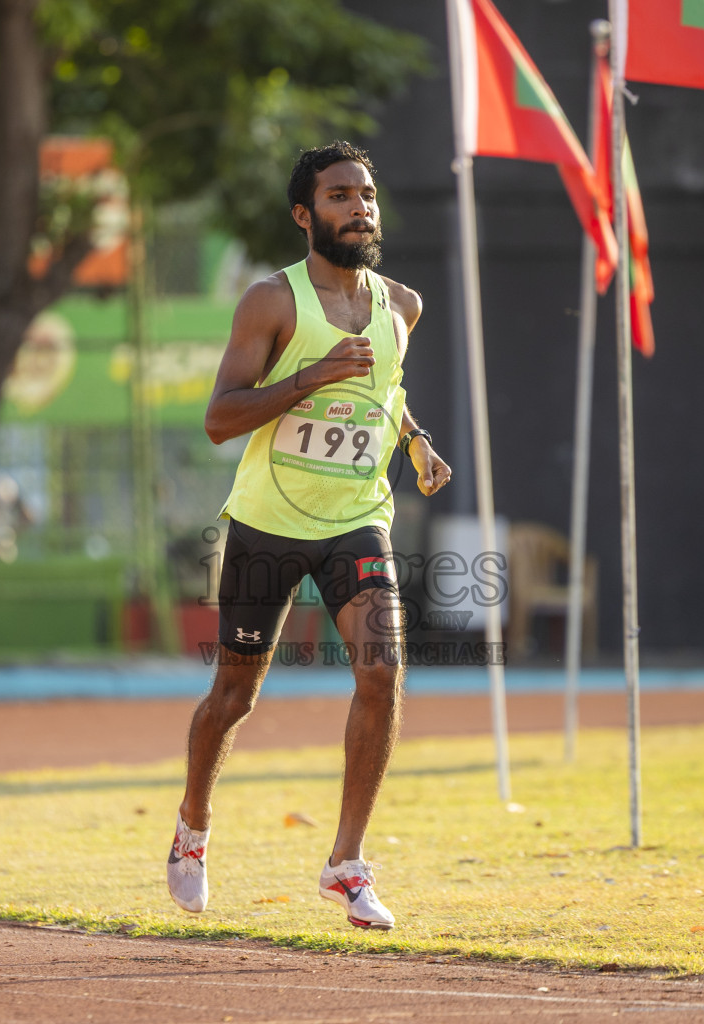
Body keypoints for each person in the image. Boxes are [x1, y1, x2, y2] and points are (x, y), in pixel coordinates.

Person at [167, 142, 452, 930]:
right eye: (338, 196)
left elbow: (386, 392)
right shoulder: (273, 303)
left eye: (366, 194)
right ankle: (192, 830)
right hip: (267, 522)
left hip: (356, 518)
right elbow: (221, 418)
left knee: (382, 672)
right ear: (305, 215)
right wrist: (303, 380)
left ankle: (347, 865)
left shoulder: (404, 306)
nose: (359, 207)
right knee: (234, 695)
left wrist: (416, 438)